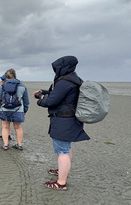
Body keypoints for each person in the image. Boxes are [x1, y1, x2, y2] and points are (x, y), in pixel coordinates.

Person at [34, 56, 90, 190]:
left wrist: (40, 99)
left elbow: (52, 101)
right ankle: (62, 171)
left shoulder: (64, 81)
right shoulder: (75, 79)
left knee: (62, 151)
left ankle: (61, 182)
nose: (55, 71)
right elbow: (61, 95)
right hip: (71, 119)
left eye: (56, 68)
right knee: (66, 148)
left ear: (62, 67)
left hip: (64, 120)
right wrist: (45, 92)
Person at [0, 69, 29, 150]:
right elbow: (26, 100)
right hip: (18, 110)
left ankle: (5, 145)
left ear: (6, 77)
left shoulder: (3, 86)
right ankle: (19, 144)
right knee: (18, 127)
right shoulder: (22, 86)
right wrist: (25, 110)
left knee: (5, 127)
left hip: (5, 109)